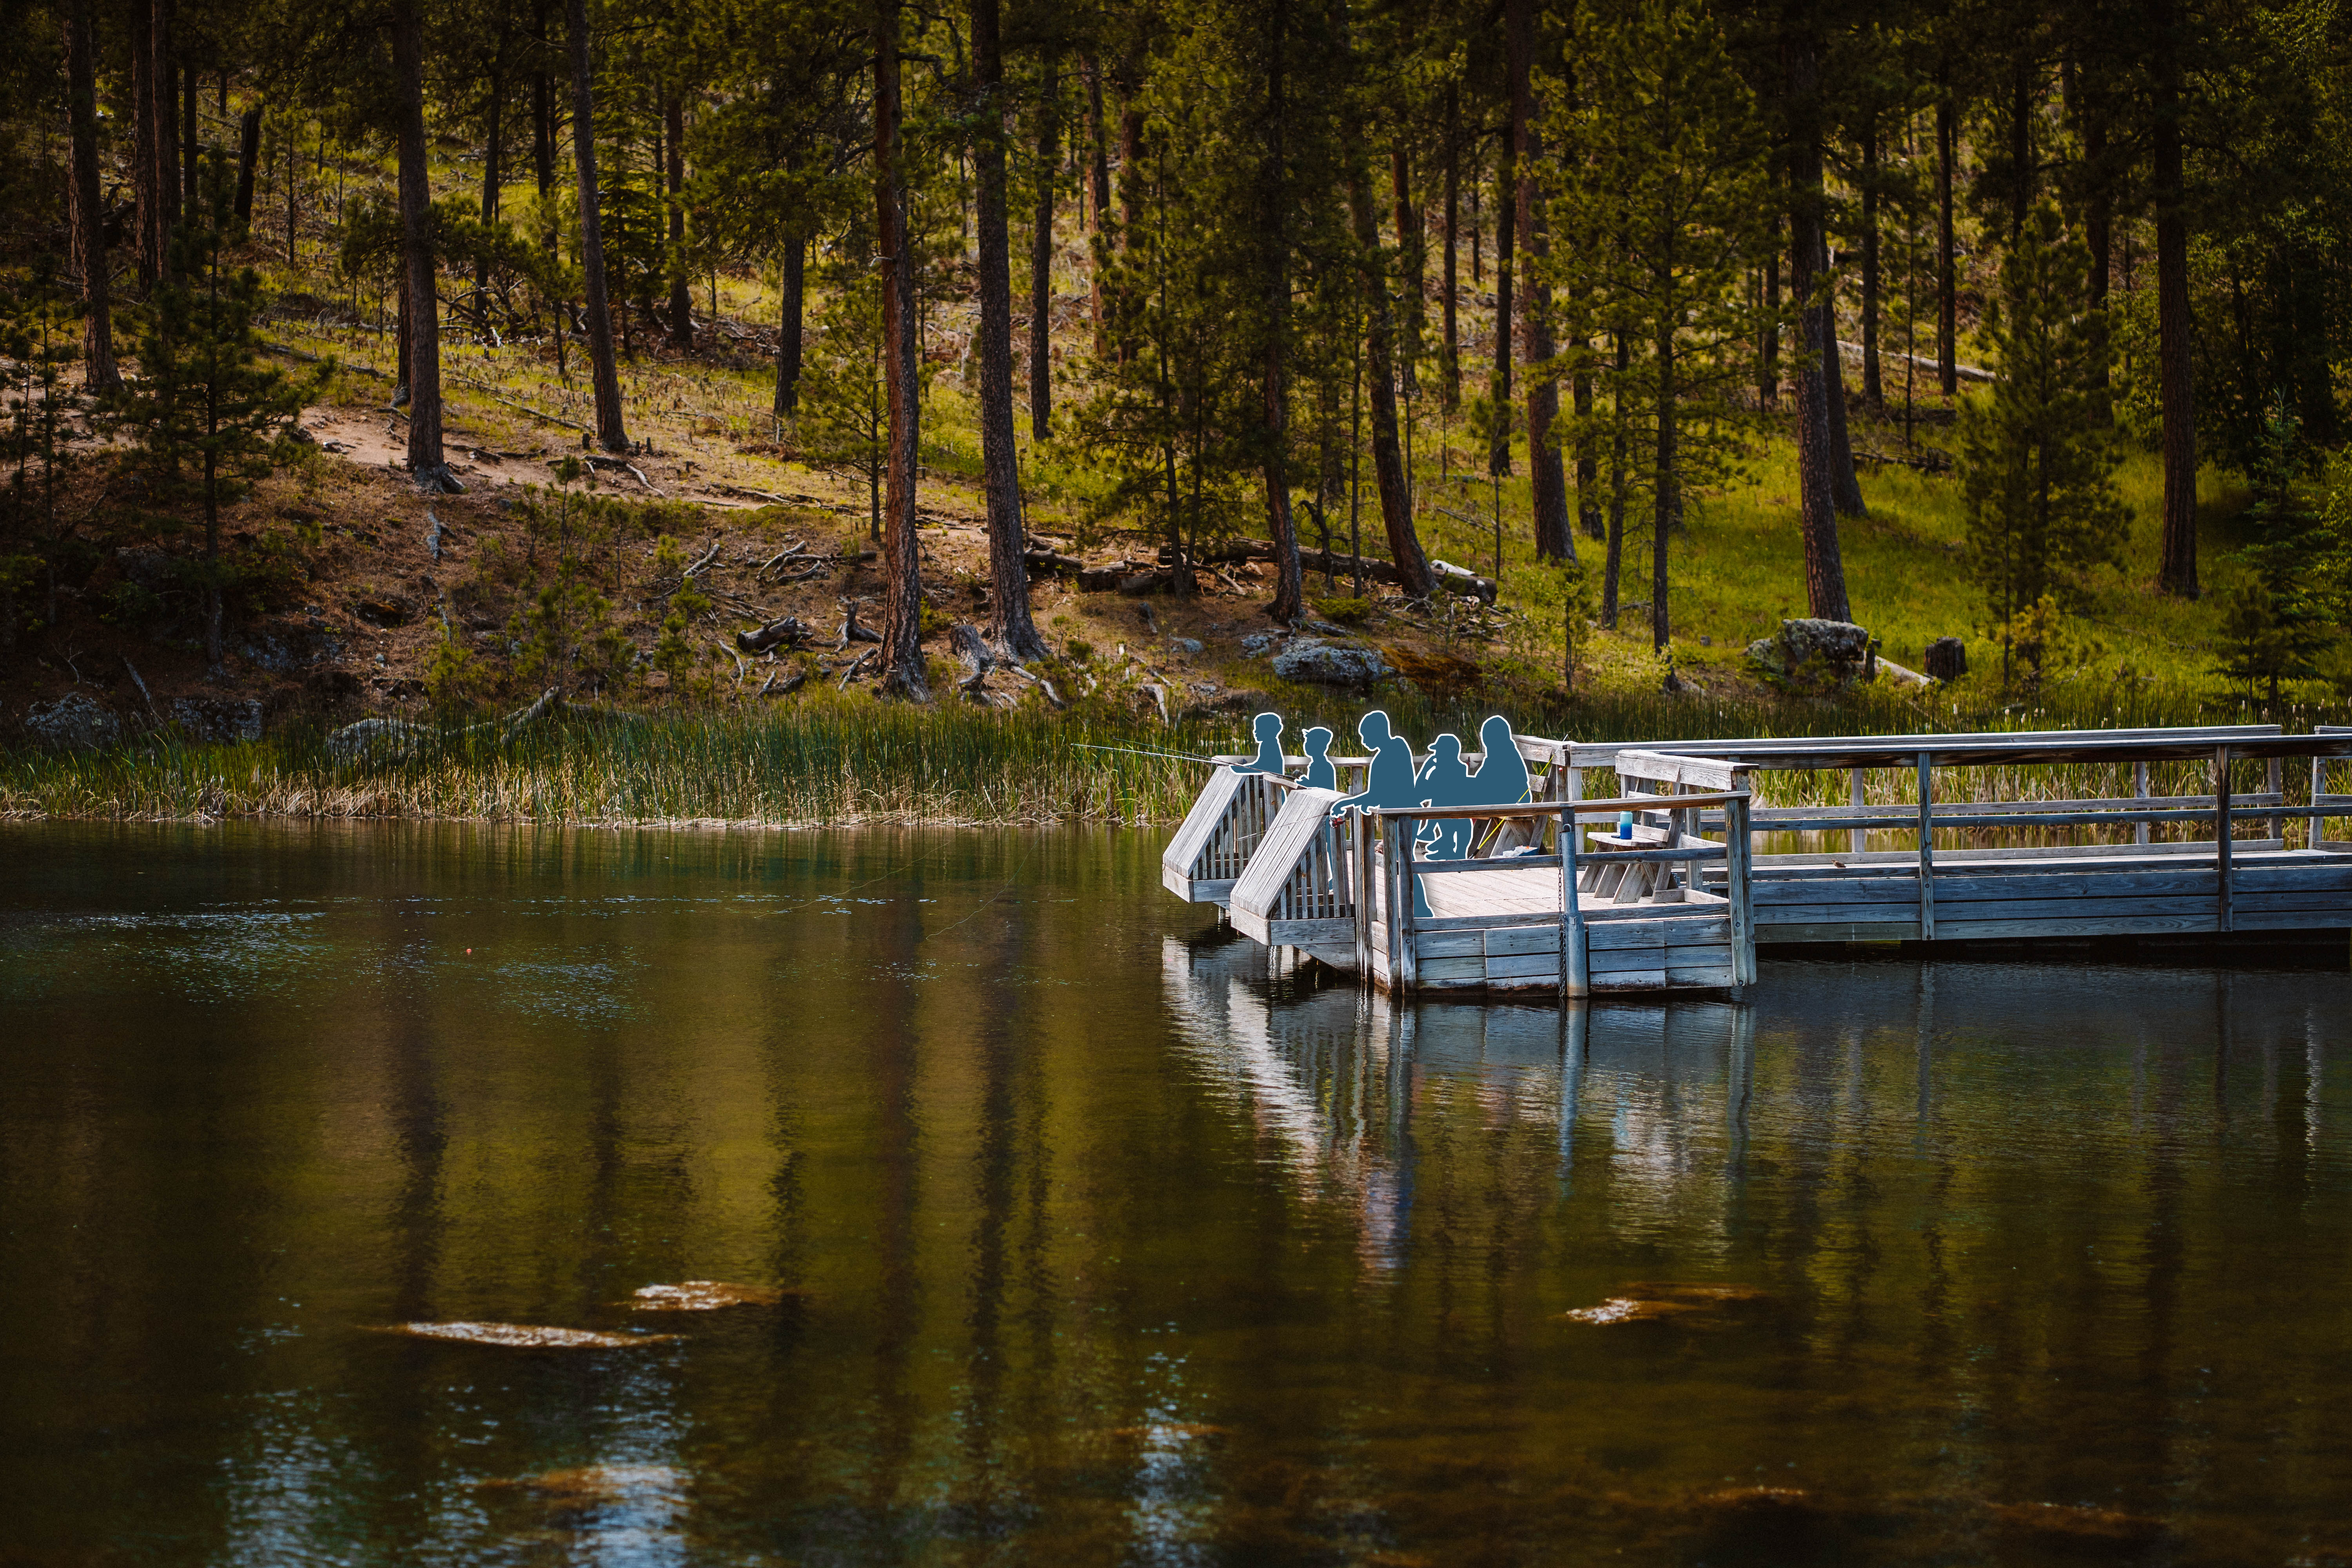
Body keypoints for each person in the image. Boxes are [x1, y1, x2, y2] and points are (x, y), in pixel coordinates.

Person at [1330, 710, 1432, 918]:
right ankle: (1416, 909)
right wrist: (1357, 803)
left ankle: (1419, 910)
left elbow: (1378, 794)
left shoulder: (1392, 751)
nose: (1363, 740)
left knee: (1403, 862)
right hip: (1398, 818)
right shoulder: (1395, 748)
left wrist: (1345, 804)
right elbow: (1378, 795)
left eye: (1365, 735)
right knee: (1401, 862)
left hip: (1404, 817)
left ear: (1378, 732)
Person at [1414, 733, 1477, 859]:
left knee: (1440, 803)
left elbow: (1420, 795)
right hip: (1460, 819)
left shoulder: (1439, 772)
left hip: (1453, 817)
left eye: (1438, 752)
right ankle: (1445, 845)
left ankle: (1439, 838)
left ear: (1446, 753)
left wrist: (1426, 769)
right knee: (1441, 803)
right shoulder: (1460, 768)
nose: (1435, 755)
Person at [1232, 711, 1285, 776]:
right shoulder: (1267, 744)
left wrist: (1240, 769)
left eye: (1259, 728)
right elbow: (1259, 765)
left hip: (1272, 783)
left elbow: (1262, 768)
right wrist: (1242, 768)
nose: (1255, 731)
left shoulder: (1270, 745)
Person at [1301, 726, 1338, 791]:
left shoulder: (1325, 766)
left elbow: (1320, 790)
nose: (1306, 744)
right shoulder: (1315, 764)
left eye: (1310, 742)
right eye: (1307, 741)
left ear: (1322, 747)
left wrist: (1306, 783)